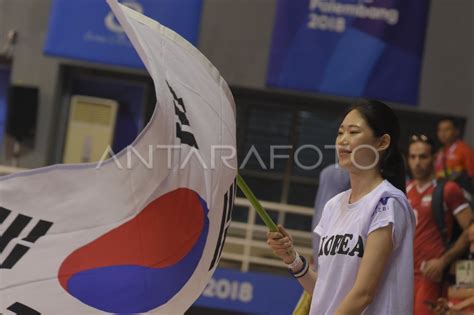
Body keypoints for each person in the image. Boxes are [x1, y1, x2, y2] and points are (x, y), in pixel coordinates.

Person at [267, 100, 415, 314]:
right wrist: (291, 258)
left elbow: (364, 293)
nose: (343, 141)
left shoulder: (387, 203)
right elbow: (324, 291)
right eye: (340, 133)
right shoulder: (333, 206)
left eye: (353, 132)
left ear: (382, 142)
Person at [407, 134, 472, 315]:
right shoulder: (404, 191)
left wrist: (443, 261)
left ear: (435, 158)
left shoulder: (448, 189)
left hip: (431, 275)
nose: (417, 162)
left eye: (423, 157)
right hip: (403, 274)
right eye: (412, 157)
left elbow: (471, 230)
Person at [435, 117, 474, 192]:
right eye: (440, 130)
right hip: (440, 191)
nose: (443, 133)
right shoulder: (440, 152)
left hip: (459, 193)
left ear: (456, 131)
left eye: (447, 129)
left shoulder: (465, 150)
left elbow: (472, 176)